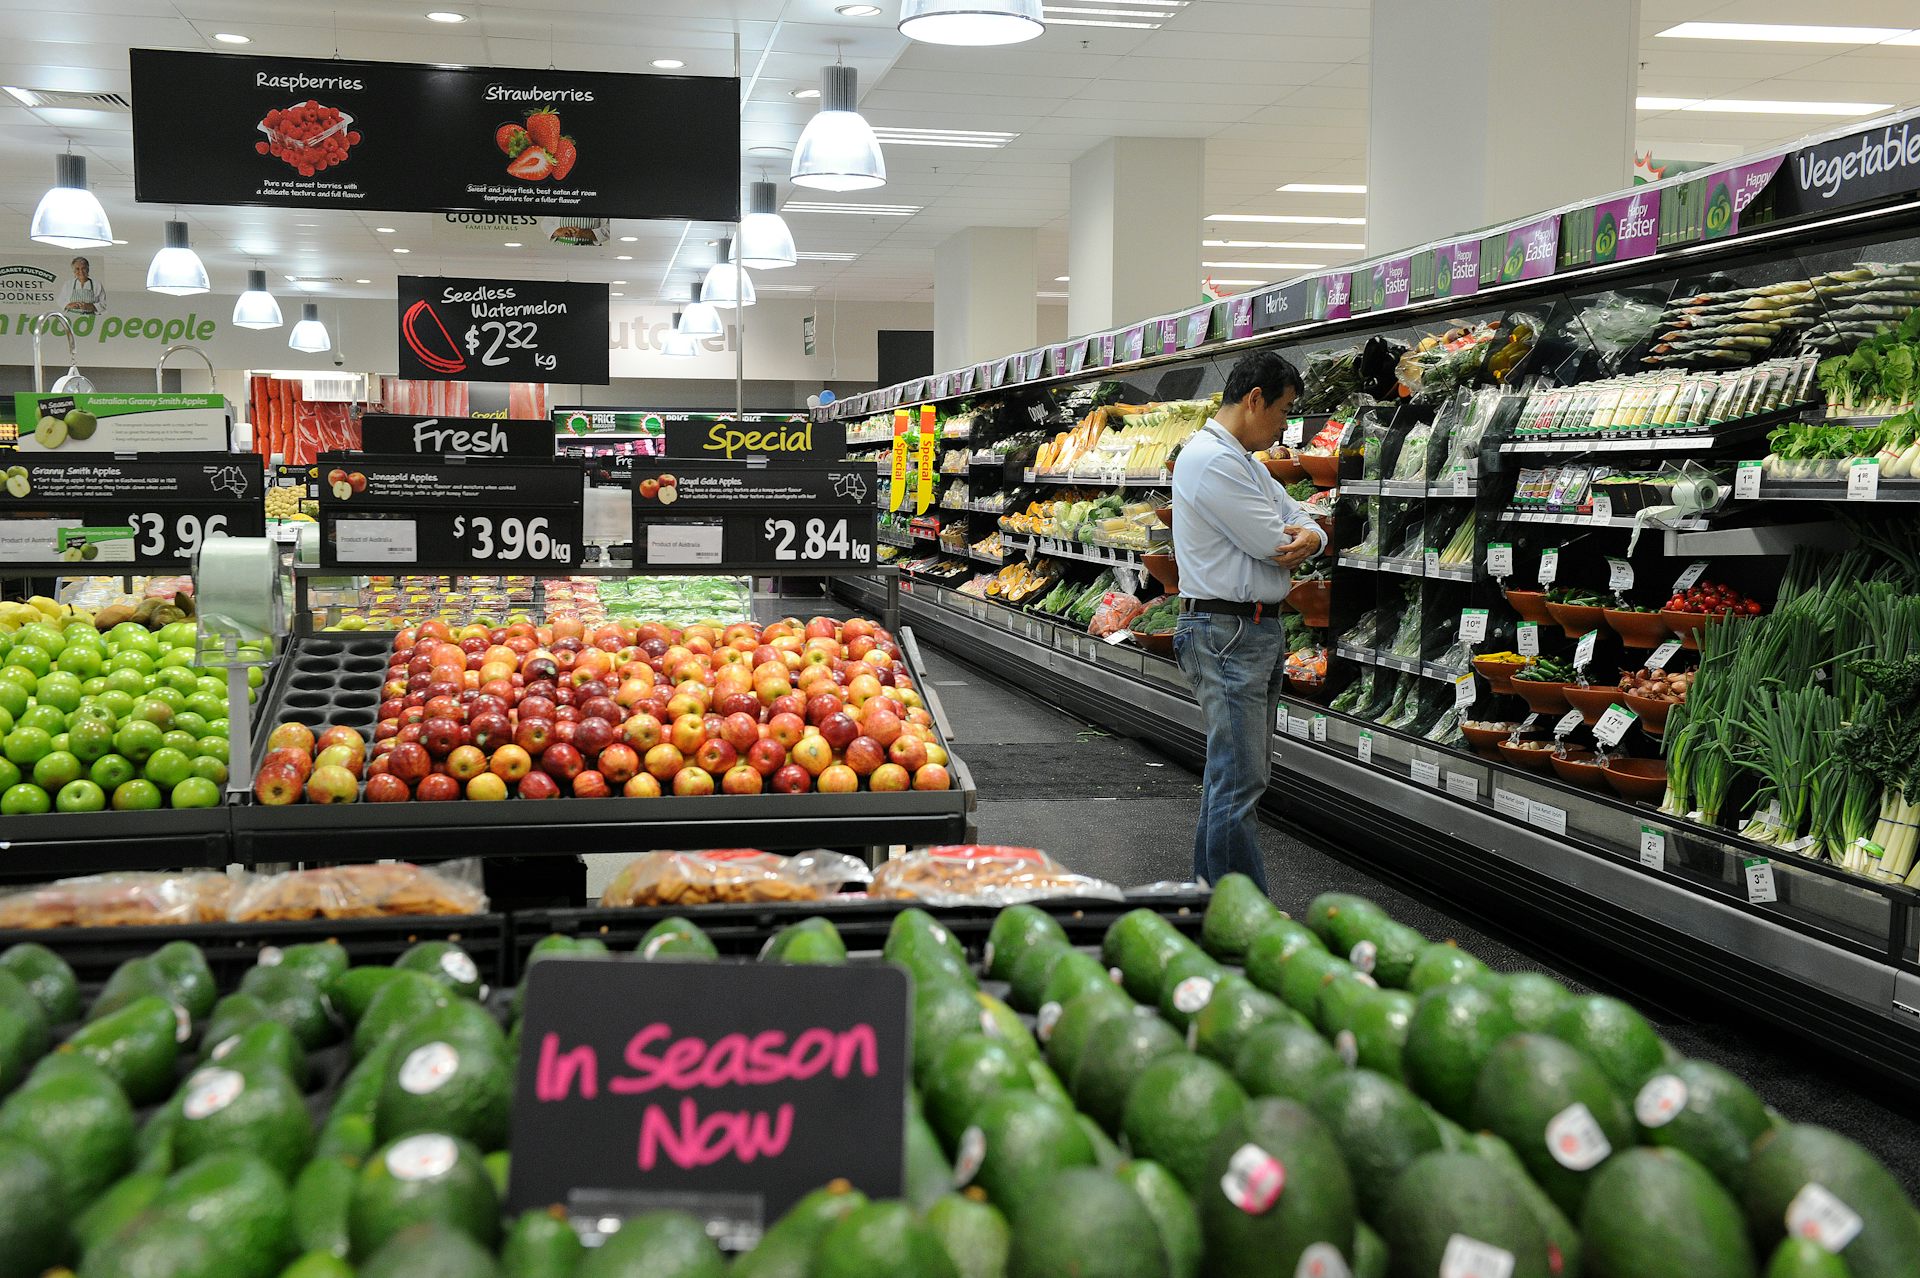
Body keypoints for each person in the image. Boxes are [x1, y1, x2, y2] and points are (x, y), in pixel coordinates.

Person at [1171, 349, 1326, 892]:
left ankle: (1210, 897)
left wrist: (1312, 534)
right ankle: (1249, 915)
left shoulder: (1241, 461)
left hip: (1247, 630)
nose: (1286, 422)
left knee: (1229, 777)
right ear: (1255, 399)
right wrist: (1304, 536)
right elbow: (1273, 539)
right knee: (1240, 781)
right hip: (1227, 632)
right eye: (1284, 409)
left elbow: (1302, 521)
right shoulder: (1213, 461)